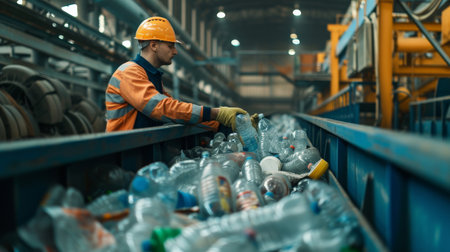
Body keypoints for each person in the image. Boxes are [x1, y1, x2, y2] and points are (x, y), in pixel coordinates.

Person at [105, 17, 249, 133]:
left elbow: (177, 111)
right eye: (170, 46)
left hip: (136, 149)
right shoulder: (129, 72)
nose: (175, 52)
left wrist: (224, 124)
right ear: (154, 45)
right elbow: (163, 108)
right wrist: (217, 113)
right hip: (122, 153)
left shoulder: (150, 76)